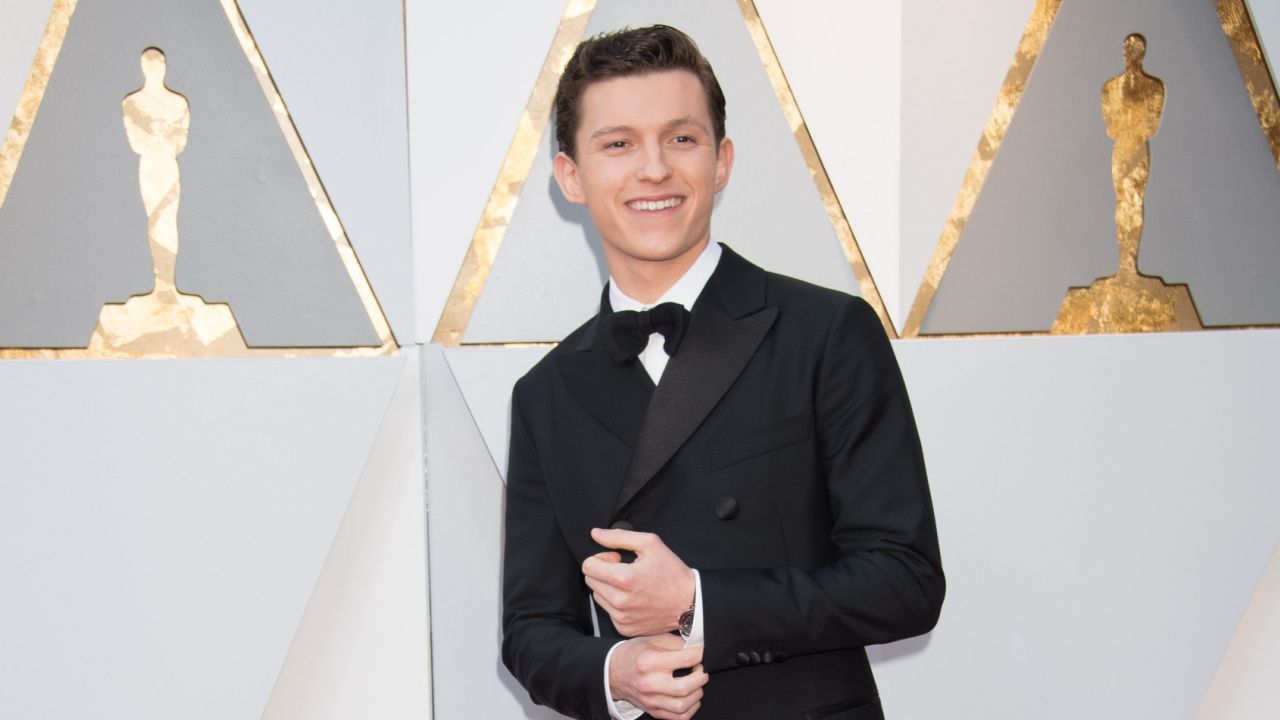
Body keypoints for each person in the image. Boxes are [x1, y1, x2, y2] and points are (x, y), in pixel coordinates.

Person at [502, 25, 943, 720]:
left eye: (681, 138)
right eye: (618, 144)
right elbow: (530, 632)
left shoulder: (826, 333)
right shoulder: (546, 394)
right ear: (571, 176)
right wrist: (617, 670)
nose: (654, 169)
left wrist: (697, 603)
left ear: (722, 160)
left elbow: (905, 581)